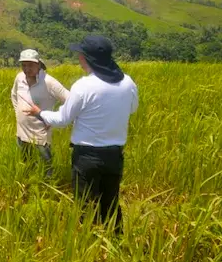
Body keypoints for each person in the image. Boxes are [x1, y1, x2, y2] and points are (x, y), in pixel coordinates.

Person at [25, 35, 138, 235]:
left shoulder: (84, 86)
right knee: (111, 202)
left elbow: (62, 119)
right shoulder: (128, 83)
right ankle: (116, 243)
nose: (78, 57)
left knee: (86, 205)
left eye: (81, 54)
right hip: (115, 155)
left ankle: (91, 246)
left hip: (87, 156)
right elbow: (132, 109)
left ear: (87, 58)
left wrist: (40, 113)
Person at [10, 49, 70, 178]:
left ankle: (48, 192)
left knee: (46, 169)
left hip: (40, 134)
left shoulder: (49, 82)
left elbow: (70, 101)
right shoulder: (19, 78)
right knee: (25, 166)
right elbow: (14, 96)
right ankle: (28, 190)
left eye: (30, 65)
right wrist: (17, 114)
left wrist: (53, 118)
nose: (26, 69)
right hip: (21, 133)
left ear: (39, 64)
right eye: (24, 65)